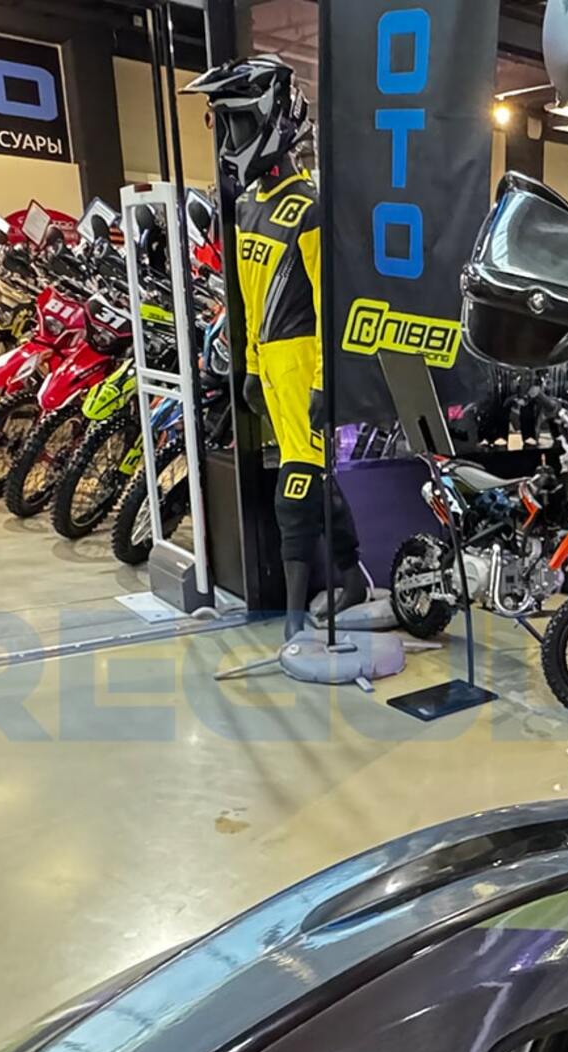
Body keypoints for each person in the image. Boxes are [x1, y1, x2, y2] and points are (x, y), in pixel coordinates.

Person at [186, 55, 366, 637]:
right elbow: (245, 296)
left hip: (305, 362)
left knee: (295, 488)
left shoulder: (309, 209)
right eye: (224, 126)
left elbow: (331, 307)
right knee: (316, 479)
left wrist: (324, 381)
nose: (229, 140)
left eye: (238, 124)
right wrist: (250, 365)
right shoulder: (247, 207)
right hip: (272, 364)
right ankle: (351, 576)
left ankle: (290, 616)